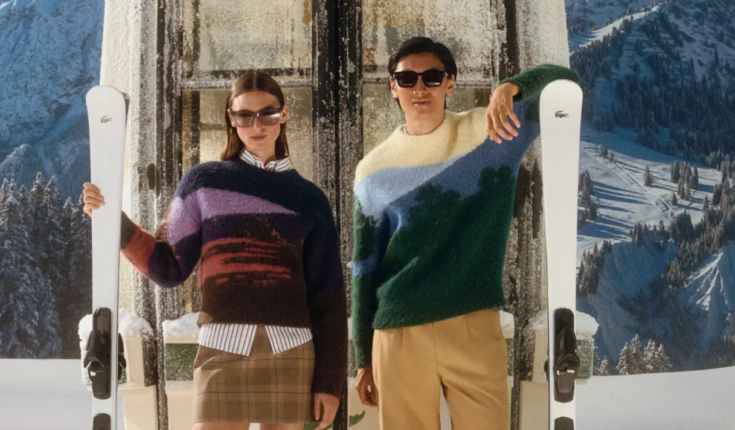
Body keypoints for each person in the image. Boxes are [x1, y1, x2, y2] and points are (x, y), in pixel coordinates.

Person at [83, 71, 347, 430]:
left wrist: (329, 382)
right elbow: (167, 268)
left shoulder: (310, 199)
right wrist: (112, 218)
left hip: (291, 348)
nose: (257, 125)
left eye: (268, 113)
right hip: (222, 346)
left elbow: (328, 297)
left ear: (283, 114)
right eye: (244, 115)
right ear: (231, 118)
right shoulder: (202, 183)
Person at [351, 37, 580, 430]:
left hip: (473, 323)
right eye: (406, 79)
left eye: (432, 77)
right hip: (399, 331)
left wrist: (511, 87)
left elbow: (565, 83)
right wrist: (362, 359)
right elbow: (364, 268)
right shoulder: (372, 170)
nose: (419, 88)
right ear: (392, 87)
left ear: (450, 83)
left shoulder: (492, 131)